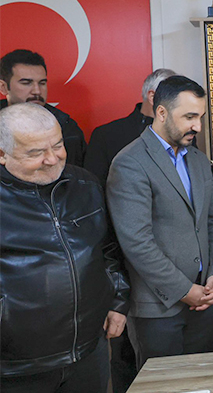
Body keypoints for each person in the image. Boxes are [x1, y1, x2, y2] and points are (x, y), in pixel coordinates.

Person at [0, 103, 129, 392]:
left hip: (88, 351)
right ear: (2, 154)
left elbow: (109, 250)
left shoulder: (85, 184)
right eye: (35, 153)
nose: (52, 159)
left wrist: (119, 303)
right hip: (17, 366)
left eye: (57, 145)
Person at [106, 75, 213, 369]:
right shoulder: (130, 162)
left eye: (200, 117)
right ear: (161, 112)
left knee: (203, 381)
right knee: (164, 386)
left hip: (205, 302)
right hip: (158, 309)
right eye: (189, 117)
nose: (197, 126)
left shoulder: (198, 159)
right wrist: (185, 291)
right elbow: (137, 243)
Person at [84, 67, 175, 393]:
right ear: (153, 97)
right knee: (123, 349)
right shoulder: (109, 135)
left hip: (170, 258)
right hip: (120, 255)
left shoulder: (184, 135)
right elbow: (92, 200)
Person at [85, 68, 176, 185]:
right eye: (174, 98)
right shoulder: (106, 135)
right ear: (153, 97)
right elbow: (93, 188)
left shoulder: (183, 135)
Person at [0, 49, 86, 167]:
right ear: (3, 87)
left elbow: (72, 175)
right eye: (26, 83)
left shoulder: (66, 128)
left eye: (42, 83)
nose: (37, 91)